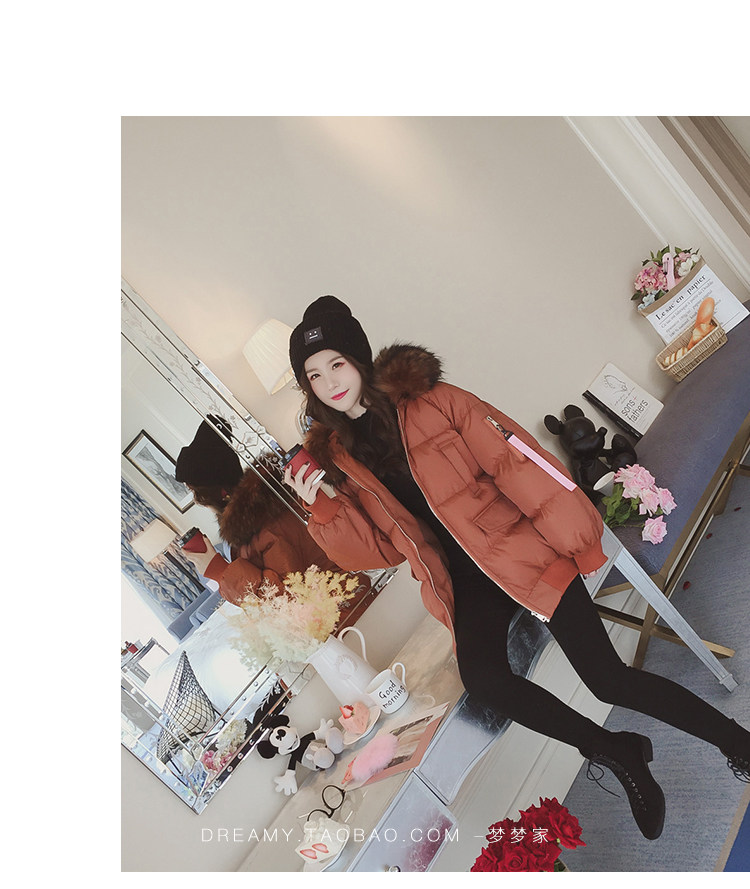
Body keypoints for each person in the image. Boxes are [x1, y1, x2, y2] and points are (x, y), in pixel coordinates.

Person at [283, 295, 750, 841]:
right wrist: (323, 512)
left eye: (336, 363)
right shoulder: (340, 460)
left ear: (359, 358)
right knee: (485, 682)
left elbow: (518, 462)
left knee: (608, 680)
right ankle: (617, 751)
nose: (330, 382)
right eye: (314, 376)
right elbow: (382, 551)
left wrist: (578, 539)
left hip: (522, 552)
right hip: (465, 583)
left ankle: (738, 743)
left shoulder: (434, 401)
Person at [174, 416, 349, 606]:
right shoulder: (255, 519)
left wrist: (219, 571)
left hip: (339, 608)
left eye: (196, 493)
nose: (197, 501)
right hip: (331, 605)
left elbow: (283, 599)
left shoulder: (267, 526)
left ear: (220, 494)